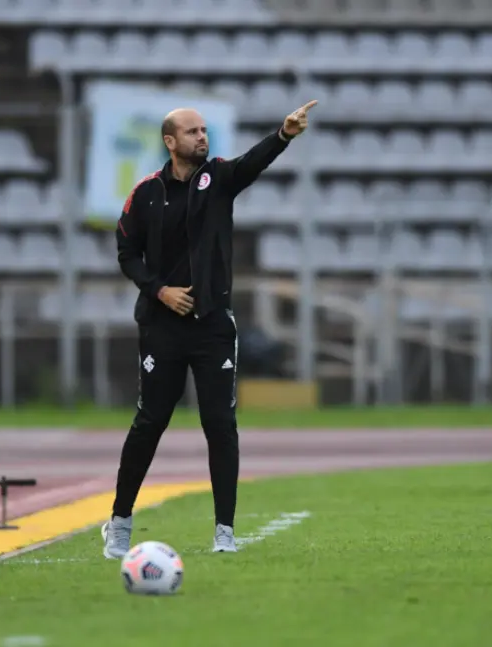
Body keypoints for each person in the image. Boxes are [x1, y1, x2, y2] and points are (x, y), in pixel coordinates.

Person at [101, 99, 318, 558]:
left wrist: (283, 134)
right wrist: (159, 291)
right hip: (161, 327)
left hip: (213, 326)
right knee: (150, 422)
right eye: (192, 131)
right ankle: (119, 521)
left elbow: (250, 164)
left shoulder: (217, 178)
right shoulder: (145, 194)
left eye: (204, 130)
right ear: (169, 141)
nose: (202, 136)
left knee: (220, 424)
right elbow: (126, 254)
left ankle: (224, 530)